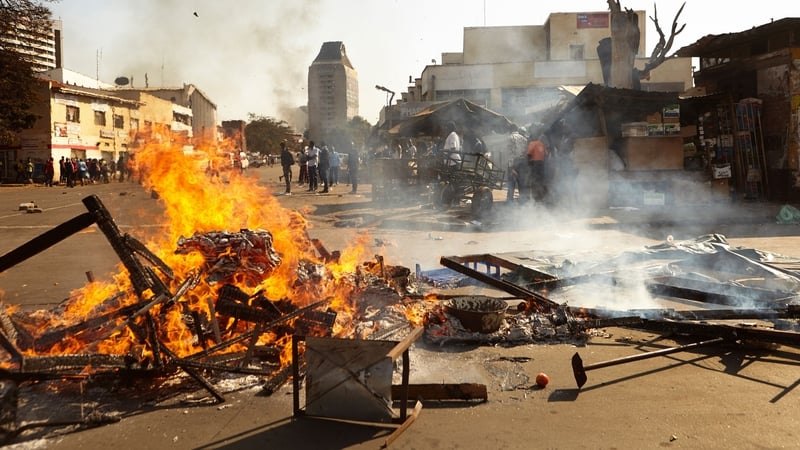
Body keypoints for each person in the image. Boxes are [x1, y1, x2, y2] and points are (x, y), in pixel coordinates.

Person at [527, 135, 549, 202]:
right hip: (541, 164)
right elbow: (546, 154)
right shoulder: (541, 143)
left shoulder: (532, 143)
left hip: (535, 164)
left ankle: (536, 197)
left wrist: (529, 163)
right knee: (541, 180)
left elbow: (529, 154)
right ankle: (543, 196)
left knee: (534, 180)